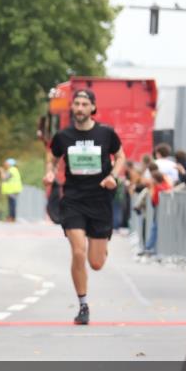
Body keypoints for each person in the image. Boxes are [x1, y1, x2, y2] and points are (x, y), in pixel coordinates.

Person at [43, 89, 126, 325]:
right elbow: (52, 157)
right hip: (73, 200)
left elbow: (121, 156)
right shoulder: (63, 136)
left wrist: (113, 176)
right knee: (78, 251)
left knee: (96, 263)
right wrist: (50, 172)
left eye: (83, 104)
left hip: (99, 200)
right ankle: (83, 306)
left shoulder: (106, 133)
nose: (79, 108)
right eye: (76, 104)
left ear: (92, 108)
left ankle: (101, 246)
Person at [0, 157, 22, 221]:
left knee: (12, 204)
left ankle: (12, 217)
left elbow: (4, 178)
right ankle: (11, 216)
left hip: (12, 190)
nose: (5, 164)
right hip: (13, 189)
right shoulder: (13, 169)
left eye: (6, 163)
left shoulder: (12, 170)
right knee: (12, 203)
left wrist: (1, 171)